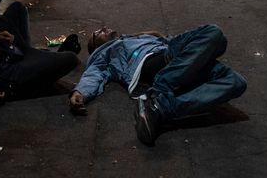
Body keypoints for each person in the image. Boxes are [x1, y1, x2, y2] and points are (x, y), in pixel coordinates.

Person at [69, 24, 247, 146]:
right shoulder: (105, 53)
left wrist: (154, 36)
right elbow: (93, 74)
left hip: (175, 57)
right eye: (98, 32)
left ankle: (161, 108)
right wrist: (80, 92)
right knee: (214, 33)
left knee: (236, 82)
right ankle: (162, 88)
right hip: (157, 63)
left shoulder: (135, 37)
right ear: (95, 46)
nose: (104, 29)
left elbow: (171, 41)